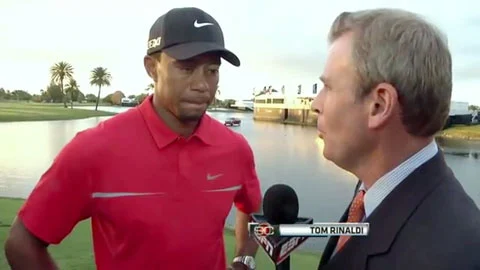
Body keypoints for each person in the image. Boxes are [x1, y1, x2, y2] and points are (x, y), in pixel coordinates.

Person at [4, 7, 261, 270]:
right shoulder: (94, 150)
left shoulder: (234, 148)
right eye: (186, 68)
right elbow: (22, 242)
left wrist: (243, 261)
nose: (202, 84)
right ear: (152, 68)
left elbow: (254, 212)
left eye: (212, 70)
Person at [311, 8, 480, 270]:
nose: (315, 104)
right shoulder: (375, 191)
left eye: (329, 87)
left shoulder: (448, 256)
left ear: (379, 105)